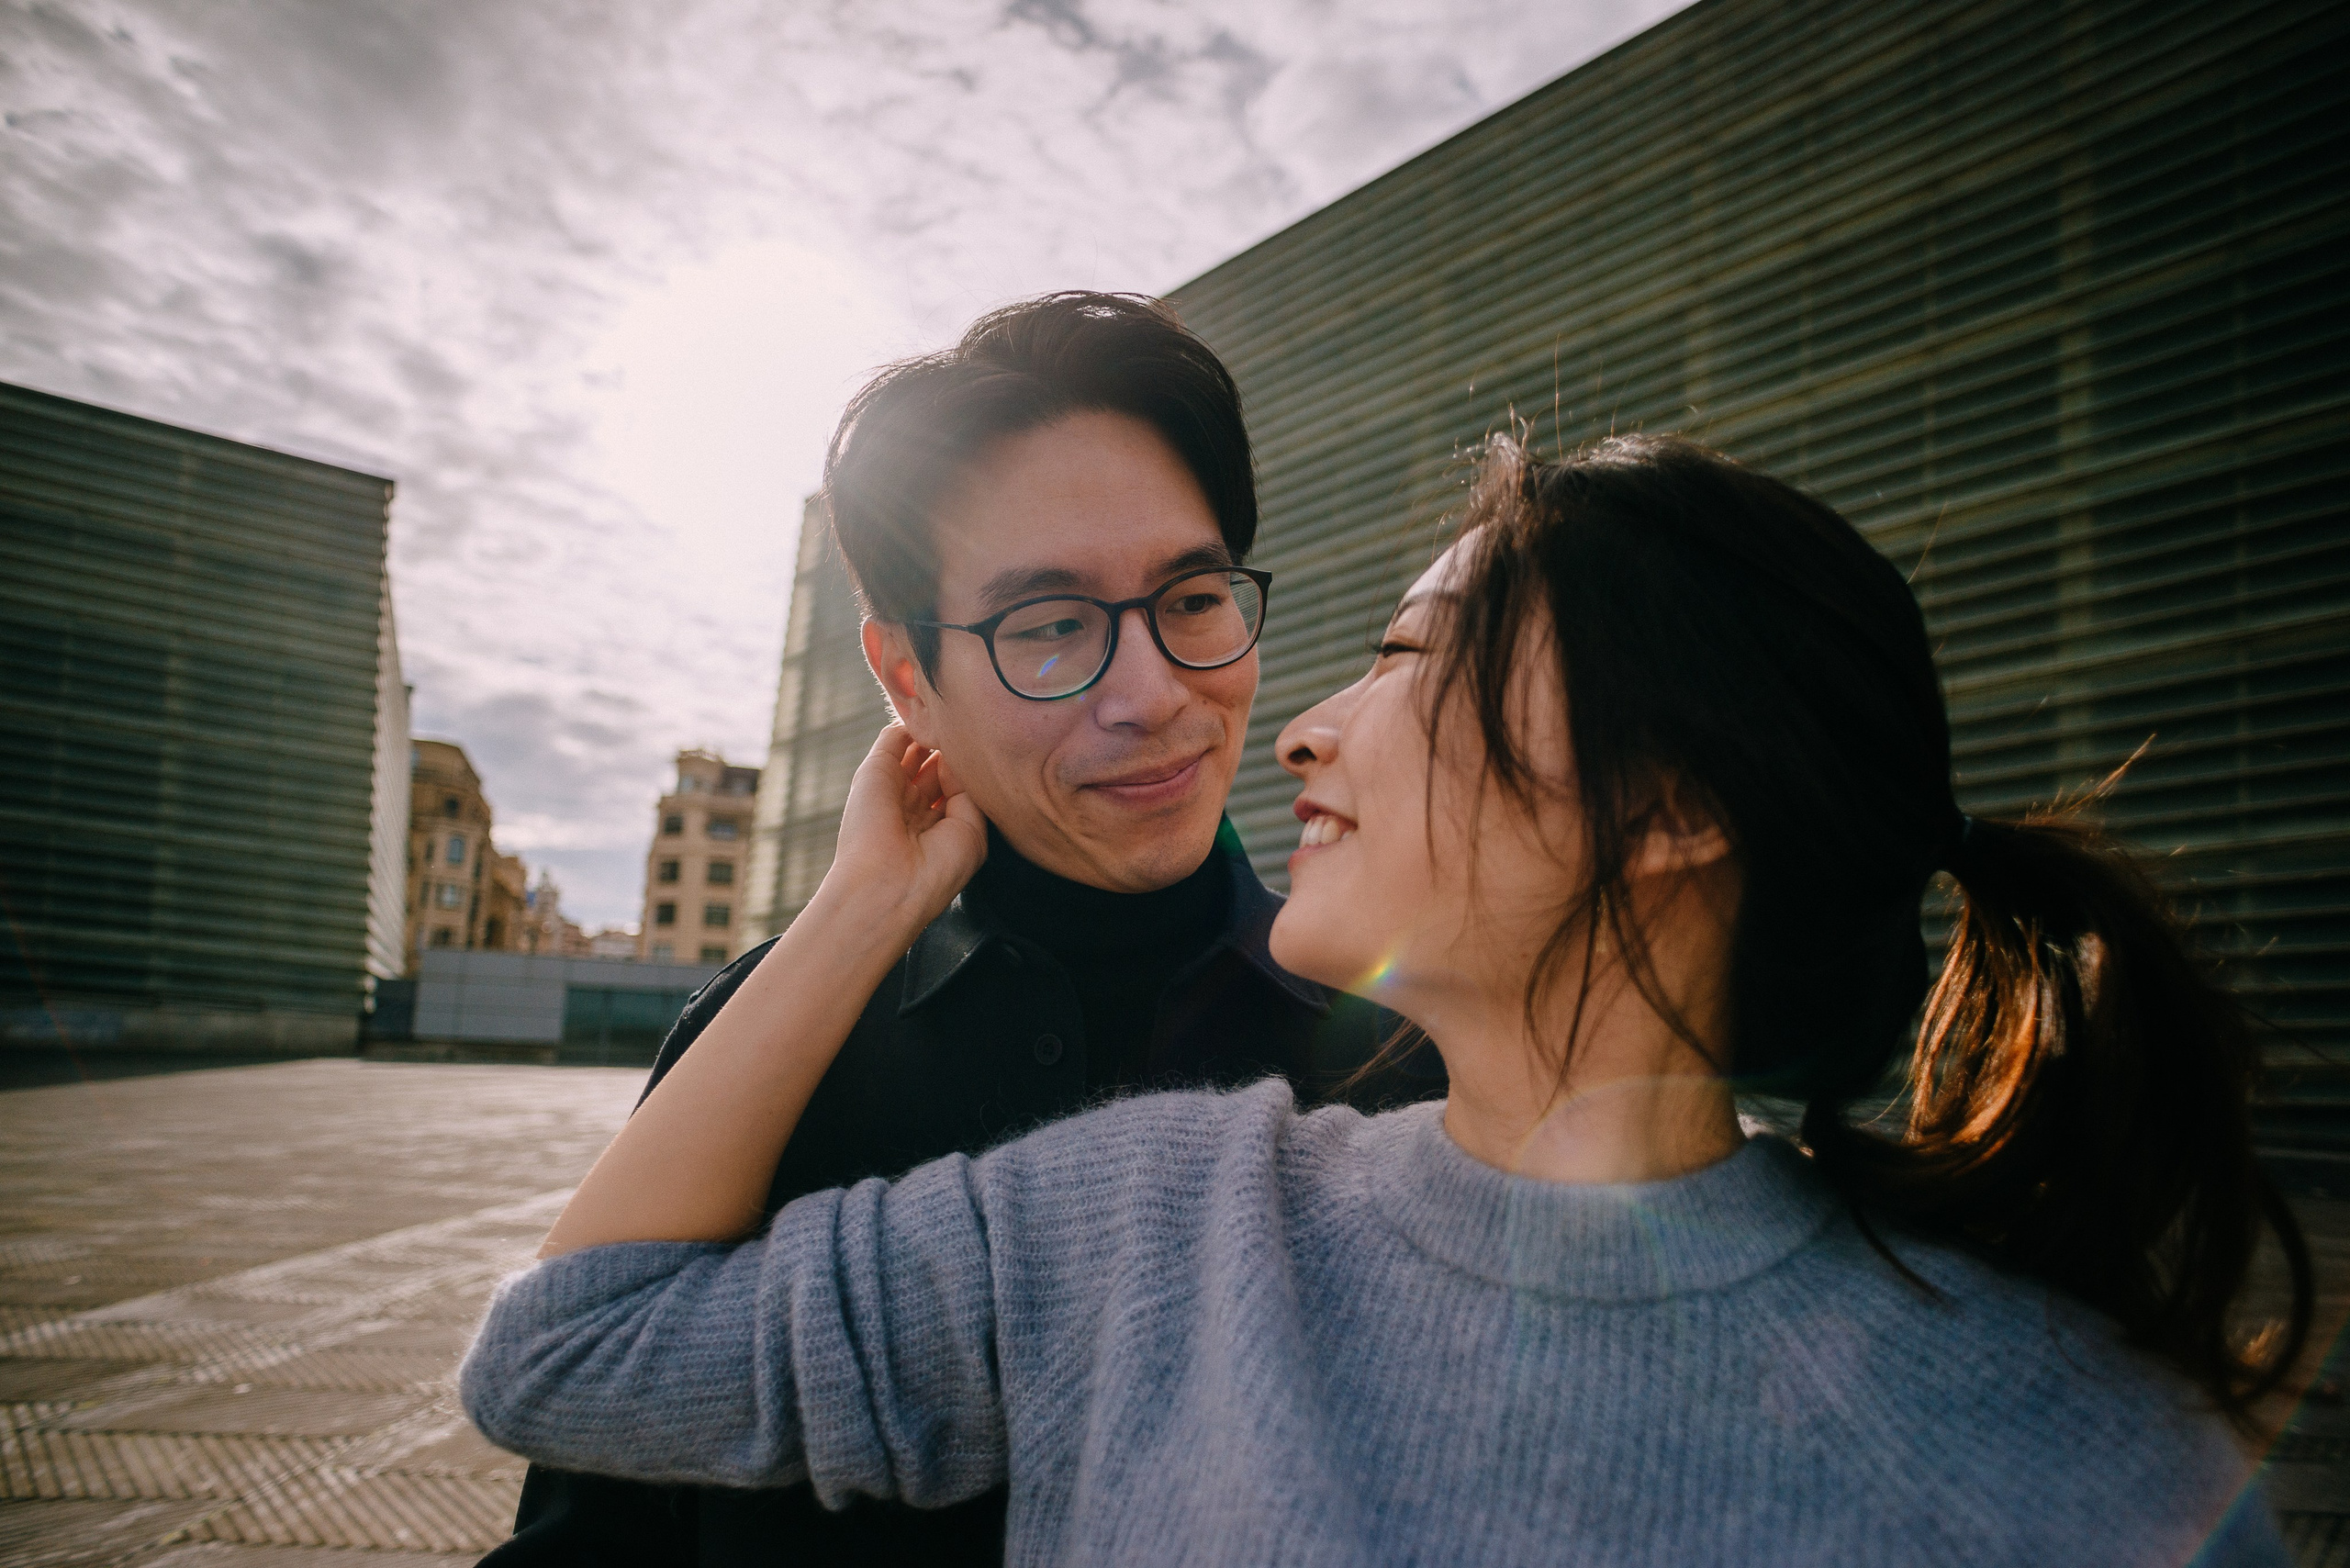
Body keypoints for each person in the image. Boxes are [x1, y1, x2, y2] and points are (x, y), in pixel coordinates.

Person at [464, 433, 2311, 1564]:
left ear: (1667, 804)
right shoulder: (1153, 1222)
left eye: (1415, 652)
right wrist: (867, 896)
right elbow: (561, 1350)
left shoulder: (2080, 1461)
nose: (1296, 721)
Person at [481, 293, 1438, 1567]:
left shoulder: (1402, 1047)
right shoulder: (774, 1038)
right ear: (905, 676)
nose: (1153, 698)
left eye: (1194, 600)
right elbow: (587, 1528)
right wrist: (858, 914)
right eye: (1050, 628)